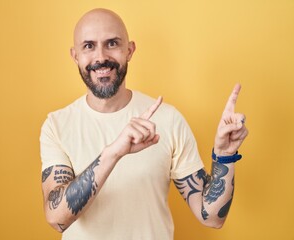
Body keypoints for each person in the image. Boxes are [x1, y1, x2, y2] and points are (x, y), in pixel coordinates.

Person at [40, 8, 248, 240]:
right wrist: (114, 152)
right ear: (75, 55)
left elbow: (211, 217)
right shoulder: (56, 125)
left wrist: (224, 155)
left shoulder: (167, 119)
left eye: (112, 43)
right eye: (88, 46)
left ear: (129, 50)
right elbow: (57, 218)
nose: (100, 57)